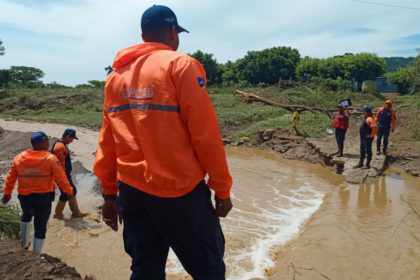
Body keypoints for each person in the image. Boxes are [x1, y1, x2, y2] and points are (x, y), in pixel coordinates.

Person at [93, 5, 233, 280]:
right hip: (179, 191)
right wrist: (222, 190)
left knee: (145, 268)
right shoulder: (181, 65)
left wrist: (109, 195)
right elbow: (206, 137)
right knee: (209, 269)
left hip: (132, 192)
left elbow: (107, 142)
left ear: (144, 35)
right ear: (172, 32)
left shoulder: (115, 78)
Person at [1, 131, 74, 256]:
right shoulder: (50, 159)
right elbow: (61, 178)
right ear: (42, 143)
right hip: (43, 198)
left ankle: (24, 245)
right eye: (46, 142)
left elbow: (10, 178)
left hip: (25, 197)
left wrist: (7, 193)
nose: (48, 144)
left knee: (26, 216)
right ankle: (35, 255)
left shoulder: (19, 158)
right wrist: (69, 192)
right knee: (40, 226)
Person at [51, 128, 87, 219]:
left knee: (71, 191)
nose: (72, 141)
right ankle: (58, 214)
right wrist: (64, 178)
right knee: (66, 193)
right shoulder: (60, 147)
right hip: (61, 175)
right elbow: (59, 166)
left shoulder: (60, 145)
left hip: (63, 175)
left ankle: (75, 213)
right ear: (67, 136)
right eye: (72, 138)